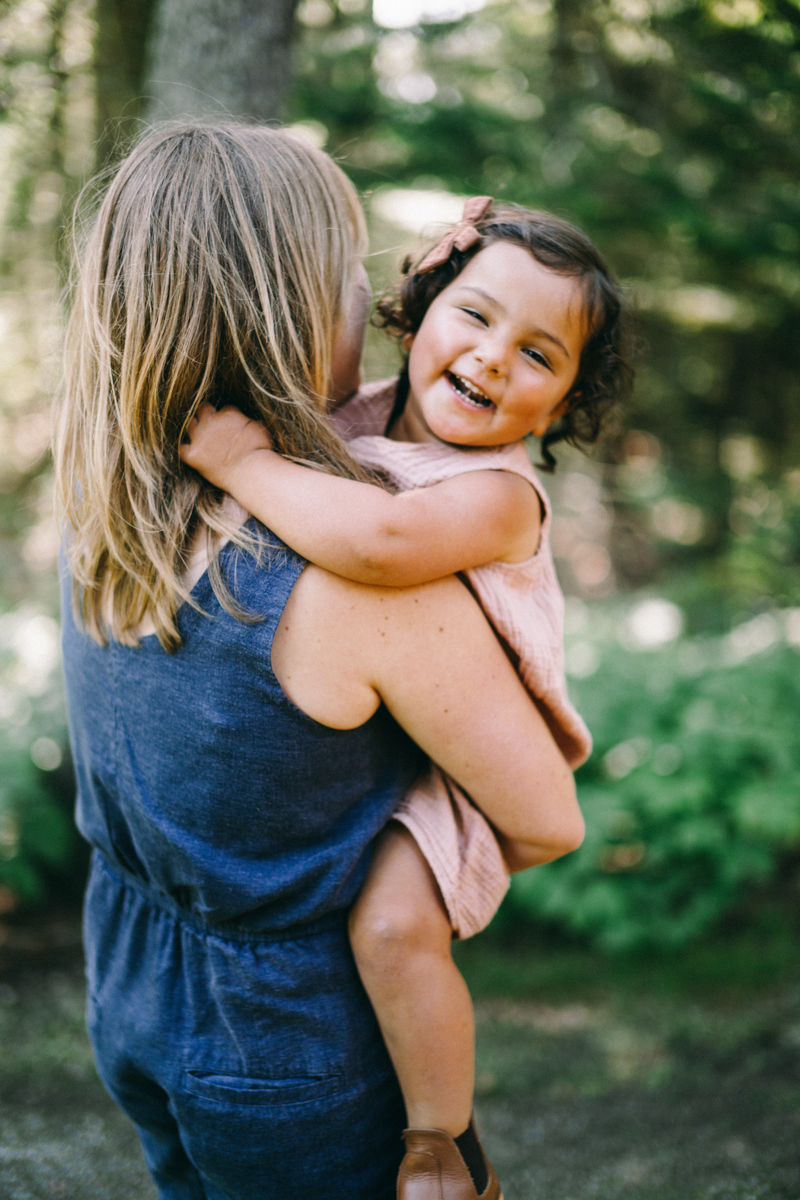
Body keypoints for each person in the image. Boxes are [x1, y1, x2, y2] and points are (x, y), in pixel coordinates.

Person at [53, 124, 584, 1200]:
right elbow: (545, 819)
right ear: (289, 312)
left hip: (128, 981)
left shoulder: (105, 511)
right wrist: (419, 866)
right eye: (348, 278)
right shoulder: (352, 584)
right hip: (283, 1046)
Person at [179, 196, 631, 1196]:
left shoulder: (499, 497)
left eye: (537, 356)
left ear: (555, 406)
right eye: (474, 317)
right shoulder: (345, 414)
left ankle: (441, 1141)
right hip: (376, 731)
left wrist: (246, 465)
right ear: (419, 309)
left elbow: (377, 548)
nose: (490, 359)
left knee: (389, 926)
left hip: (453, 776)